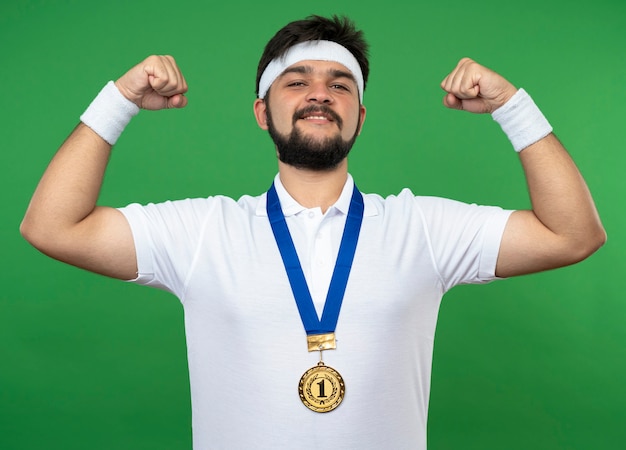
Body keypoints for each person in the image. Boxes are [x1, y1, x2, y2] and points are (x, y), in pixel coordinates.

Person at [21, 14, 605, 450]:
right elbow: (52, 226)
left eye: (340, 84)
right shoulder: (203, 230)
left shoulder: (422, 227)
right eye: (296, 82)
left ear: (360, 115)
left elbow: (572, 235)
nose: (320, 93)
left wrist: (513, 106)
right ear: (261, 111)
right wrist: (119, 100)